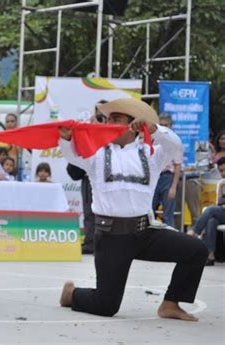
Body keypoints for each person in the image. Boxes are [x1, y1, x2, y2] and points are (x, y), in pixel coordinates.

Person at [57, 98, 208, 321]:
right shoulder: (95, 154)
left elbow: (175, 146)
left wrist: (154, 129)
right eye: (108, 120)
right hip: (111, 237)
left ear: (133, 125)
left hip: (145, 232)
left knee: (197, 250)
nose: (109, 123)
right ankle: (72, 294)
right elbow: (72, 155)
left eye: (116, 119)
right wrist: (66, 138)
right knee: (106, 305)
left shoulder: (150, 153)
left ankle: (170, 303)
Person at [67, 101, 107, 255]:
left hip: (108, 177)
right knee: (89, 211)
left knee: (105, 212)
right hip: (88, 176)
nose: (100, 118)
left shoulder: (114, 132)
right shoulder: (88, 131)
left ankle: (103, 243)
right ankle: (90, 242)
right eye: (98, 114)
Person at [187, 157, 225, 266]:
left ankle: (194, 231)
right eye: (221, 171)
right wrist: (221, 187)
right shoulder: (222, 183)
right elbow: (219, 203)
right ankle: (210, 255)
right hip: (222, 212)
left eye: (224, 170)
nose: (223, 173)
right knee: (211, 221)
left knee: (210, 210)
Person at [152, 114, 182, 227]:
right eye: (161, 125)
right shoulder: (153, 139)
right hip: (154, 176)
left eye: (166, 125)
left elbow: (178, 165)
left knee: (168, 214)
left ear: (171, 126)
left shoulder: (175, 141)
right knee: (149, 211)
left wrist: (173, 186)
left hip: (167, 178)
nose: (163, 127)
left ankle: (169, 242)